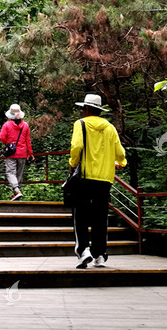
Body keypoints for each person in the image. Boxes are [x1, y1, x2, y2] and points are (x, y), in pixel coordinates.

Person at [69, 93, 127, 269]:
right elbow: (120, 153)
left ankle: (83, 251)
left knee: (81, 215)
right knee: (100, 216)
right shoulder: (109, 127)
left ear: (86, 109)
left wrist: (72, 163)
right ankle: (100, 254)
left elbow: (77, 146)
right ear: (99, 111)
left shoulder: (81, 124)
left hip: (85, 177)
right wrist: (121, 163)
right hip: (105, 180)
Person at [0, 104, 34, 200]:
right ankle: (17, 193)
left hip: (11, 153)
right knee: (19, 174)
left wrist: (8, 144)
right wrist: (30, 153)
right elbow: (28, 140)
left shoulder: (7, 125)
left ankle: (16, 190)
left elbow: (1, 137)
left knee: (10, 172)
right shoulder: (25, 125)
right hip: (22, 153)